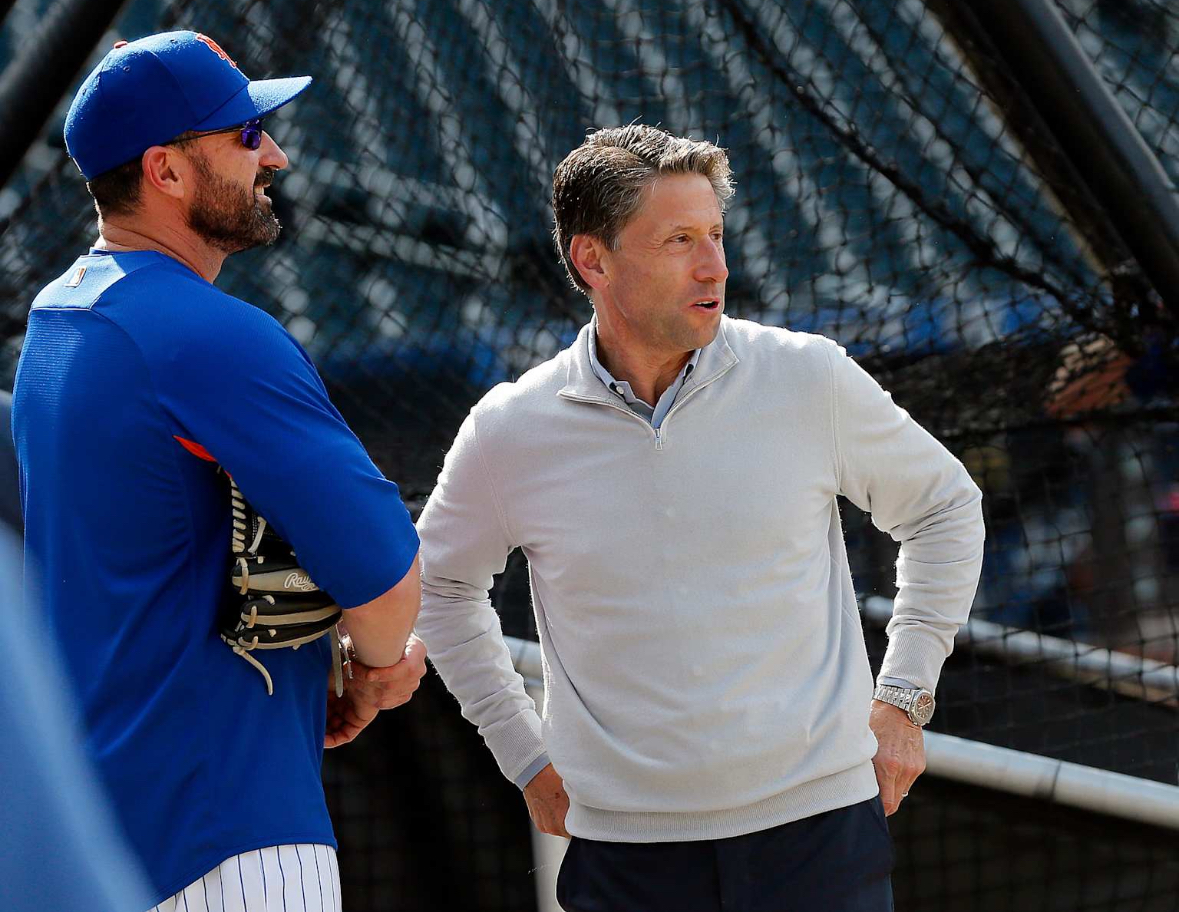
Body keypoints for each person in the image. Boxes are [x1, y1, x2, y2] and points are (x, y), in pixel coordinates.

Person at [414, 125, 985, 912]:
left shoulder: (807, 376)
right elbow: (439, 588)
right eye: (678, 240)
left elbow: (944, 507)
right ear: (592, 260)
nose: (714, 265)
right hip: (625, 860)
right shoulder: (509, 429)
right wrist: (521, 754)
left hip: (821, 836)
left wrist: (904, 697)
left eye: (714, 234)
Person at [12, 31, 423, 911]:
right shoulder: (207, 334)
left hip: (110, 824)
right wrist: (376, 666)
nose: (274, 155)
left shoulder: (56, 317)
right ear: (164, 170)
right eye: (244, 135)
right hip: (226, 827)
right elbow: (386, 573)